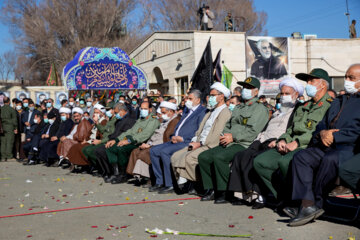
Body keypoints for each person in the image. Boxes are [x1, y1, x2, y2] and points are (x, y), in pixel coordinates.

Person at [286, 64, 360, 226]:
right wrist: (322, 134)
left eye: (351, 78)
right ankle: (307, 204)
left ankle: (316, 203)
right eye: (346, 77)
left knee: (330, 159)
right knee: (302, 156)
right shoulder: (338, 101)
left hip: (350, 148)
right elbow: (321, 125)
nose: (346, 81)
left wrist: (335, 136)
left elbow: (357, 132)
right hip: (326, 144)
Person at [253, 68, 332, 206]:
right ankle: (284, 197)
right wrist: (283, 139)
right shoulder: (304, 106)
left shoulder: (330, 105)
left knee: (285, 163)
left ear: (323, 85)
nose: (308, 84)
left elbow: (319, 131)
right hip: (291, 144)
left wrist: (296, 142)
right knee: (261, 161)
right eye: (307, 81)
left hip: (309, 146)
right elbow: (291, 128)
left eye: (312, 81)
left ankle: (296, 202)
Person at [227, 77, 304, 209]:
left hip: (276, 141)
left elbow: (292, 130)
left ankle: (260, 196)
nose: (283, 97)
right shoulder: (278, 111)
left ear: (296, 95)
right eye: (282, 94)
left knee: (257, 159)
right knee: (241, 156)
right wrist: (258, 138)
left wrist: (279, 140)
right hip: (263, 139)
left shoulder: (298, 109)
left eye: (287, 94)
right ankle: (243, 194)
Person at [198, 77, 269, 203]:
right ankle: (211, 189)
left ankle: (225, 191)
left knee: (219, 157)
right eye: (244, 88)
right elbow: (228, 124)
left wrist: (233, 136)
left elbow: (253, 131)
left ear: (256, 92)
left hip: (244, 143)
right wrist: (225, 134)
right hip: (230, 141)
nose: (245, 90)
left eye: (249, 88)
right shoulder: (238, 108)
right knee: (204, 156)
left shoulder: (260, 109)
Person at [171, 83, 232, 194]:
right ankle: (187, 180)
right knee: (176, 156)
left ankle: (196, 184)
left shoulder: (225, 112)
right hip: (199, 142)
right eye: (210, 95)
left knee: (189, 158)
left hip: (210, 144)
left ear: (221, 96)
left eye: (213, 95)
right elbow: (200, 130)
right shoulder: (210, 111)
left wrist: (200, 143)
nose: (210, 98)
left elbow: (216, 134)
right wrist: (195, 141)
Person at [149, 89, 206, 194]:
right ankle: (159, 181)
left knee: (165, 152)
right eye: (187, 98)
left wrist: (183, 138)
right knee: (154, 150)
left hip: (187, 141)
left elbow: (199, 130)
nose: (187, 101)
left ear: (198, 100)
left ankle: (170, 184)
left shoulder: (201, 112)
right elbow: (179, 126)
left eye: (190, 99)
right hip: (176, 139)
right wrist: (174, 136)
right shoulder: (187, 110)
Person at [126, 101, 180, 186]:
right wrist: (147, 143)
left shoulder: (174, 120)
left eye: (164, 112)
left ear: (171, 111)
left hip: (161, 144)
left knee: (144, 153)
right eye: (161, 112)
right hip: (153, 142)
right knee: (136, 151)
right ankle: (139, 176)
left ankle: (150, 178)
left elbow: (165, 137)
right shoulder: (166, 120)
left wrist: (150, 145)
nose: (162, 115)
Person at [105, 101, 159, 184]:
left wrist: (129, 141)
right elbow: (130, 131)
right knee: (111, 147)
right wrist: (116, 140)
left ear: (150, 109)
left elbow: (145, 135)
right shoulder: (140, 120)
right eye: (142, 108)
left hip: (140, 143)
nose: (143, 110)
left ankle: (124, 175)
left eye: (145, 109)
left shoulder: (153, 121)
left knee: (121, 149)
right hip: (131, 140)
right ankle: (116, 172)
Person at [92, 103, 135, 180]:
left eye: (116, 112)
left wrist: (114, 140)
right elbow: (112, 133)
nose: (115, 114)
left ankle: (116, 172)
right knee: (98, 150)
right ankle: (107, 171)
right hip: (113, 139)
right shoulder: (119, 120)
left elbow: (124, 134)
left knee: (106, 150)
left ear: (122, 111)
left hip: (121, 141)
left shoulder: (129, 120)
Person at [67, 104, 107, 170]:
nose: (95, 114)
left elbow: (101, 134)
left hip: (95, 141)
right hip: (90, 140)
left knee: (81, 147)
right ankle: (79, 164)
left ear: (102, 113)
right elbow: (90, 133)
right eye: (94, 112)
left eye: (97, 112)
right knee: (76, 146)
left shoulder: (103, 121)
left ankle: (87, 165)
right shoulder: (95, 122)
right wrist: (86, 139)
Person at [0, 97, 18, 161]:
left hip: (1, 127)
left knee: (3, 142)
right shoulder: (11, 109)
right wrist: (15, 128)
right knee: (9, 142)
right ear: (9, 101)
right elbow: (14, 120)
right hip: (10, 127)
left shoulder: (1, 109)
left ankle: (3, 156)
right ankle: (9, 156)